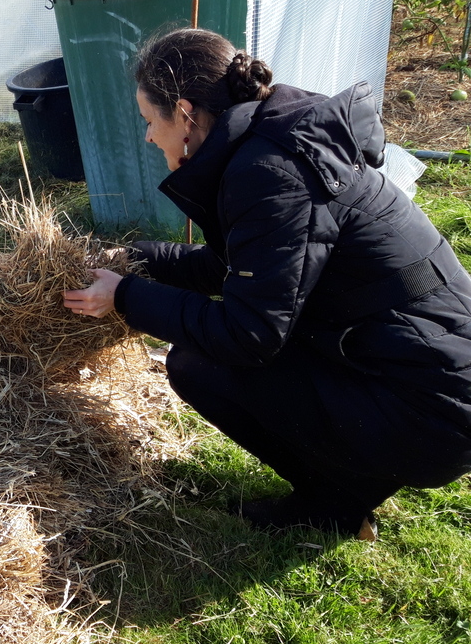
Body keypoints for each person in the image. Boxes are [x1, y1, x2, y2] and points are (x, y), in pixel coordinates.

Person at [63, 28, 471, 539]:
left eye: (150, 121)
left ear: (185, 114)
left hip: (433, 409)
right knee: (219, 350)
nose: (148, 136)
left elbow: (248, 333)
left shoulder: (269, 174)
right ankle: (352, 486)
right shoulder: (273, 139)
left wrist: (123, 296)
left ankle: (336, 500)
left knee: (199, 364)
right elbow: (233, 266)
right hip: (422, 371)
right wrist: (135, 259)